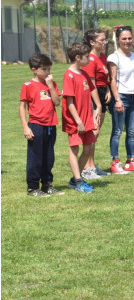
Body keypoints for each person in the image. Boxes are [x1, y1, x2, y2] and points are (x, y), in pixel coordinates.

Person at [20, 53, 63, 196]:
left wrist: (50, 86)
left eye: (49, 69)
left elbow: (57, 102)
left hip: (51, 125)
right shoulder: (28, 85)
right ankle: (32, 187)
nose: (47, 72)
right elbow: (22, 107)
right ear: (34, 69)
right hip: (36, 125)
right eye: (44, 69)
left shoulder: (52, 83)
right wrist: (26, 127)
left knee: (49, 156)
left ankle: (47, 184)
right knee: (35, 156)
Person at [62, 42, 102, 193]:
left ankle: (75, 179)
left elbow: (91, 93)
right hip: (75, 120)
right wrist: (78, 121)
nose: (89, 60)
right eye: (87, 57)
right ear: (78, 58)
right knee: (74, 149)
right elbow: (70, 102)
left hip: (87, 118)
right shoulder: (69, 75)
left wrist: (95, 110)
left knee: (88, 148)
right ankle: (79, 181)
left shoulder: (83, 73)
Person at [107, 25, 134, 174]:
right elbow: (112, 80)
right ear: (118, 40)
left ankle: (130, 161)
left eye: (129, 38)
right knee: (117, 130)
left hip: (133, 97)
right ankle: (115, 162)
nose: (127, 41)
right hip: (121, 96)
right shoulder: (113, 57)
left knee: (132, 132)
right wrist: (117, 99)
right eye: (124, 38)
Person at [82, 29, 111, 179]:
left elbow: (104, 77)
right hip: (93, 96)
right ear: (92, 42)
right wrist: (97, 104)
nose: (105, 42)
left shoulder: (103, 56)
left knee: (97, 131)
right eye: (102, 40)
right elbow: (91, 83)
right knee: (93, 132)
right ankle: (87, 167)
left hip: (101, 93)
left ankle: (92, 165)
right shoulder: (90, 59)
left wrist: (107, 90)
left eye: (105, 40)